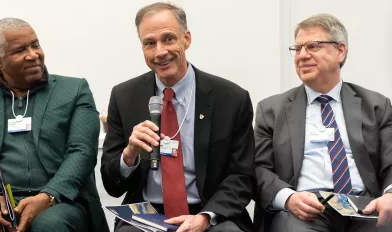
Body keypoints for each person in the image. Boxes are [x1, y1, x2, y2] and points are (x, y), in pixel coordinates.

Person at [101, 2, 255, 232]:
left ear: (187, 39)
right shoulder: (124, 97)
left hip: (210, 213)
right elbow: (112, 185)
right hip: (147, 214)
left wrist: (204, 217)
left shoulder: (231, 99)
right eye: (149, 43)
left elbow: (242, 177)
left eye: (169, 39)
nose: (160, 52)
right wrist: (129, 154)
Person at [254, 13, 392, 232]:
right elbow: (259, 169)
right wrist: (289, 198)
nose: (302, 55)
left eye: (313, 46)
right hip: (306, 209)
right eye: (297, 49)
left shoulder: (376, 105)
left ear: (340, 51)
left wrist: (390, 195)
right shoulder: (271, 110)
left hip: (365, 206)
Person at [0, 18, 109, 232]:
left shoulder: (74, 90)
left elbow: (82, 152)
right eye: (20, 50)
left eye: (35, 45)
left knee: (50, 224)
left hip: (61, 201)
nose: (33, 55)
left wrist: (48, 196)